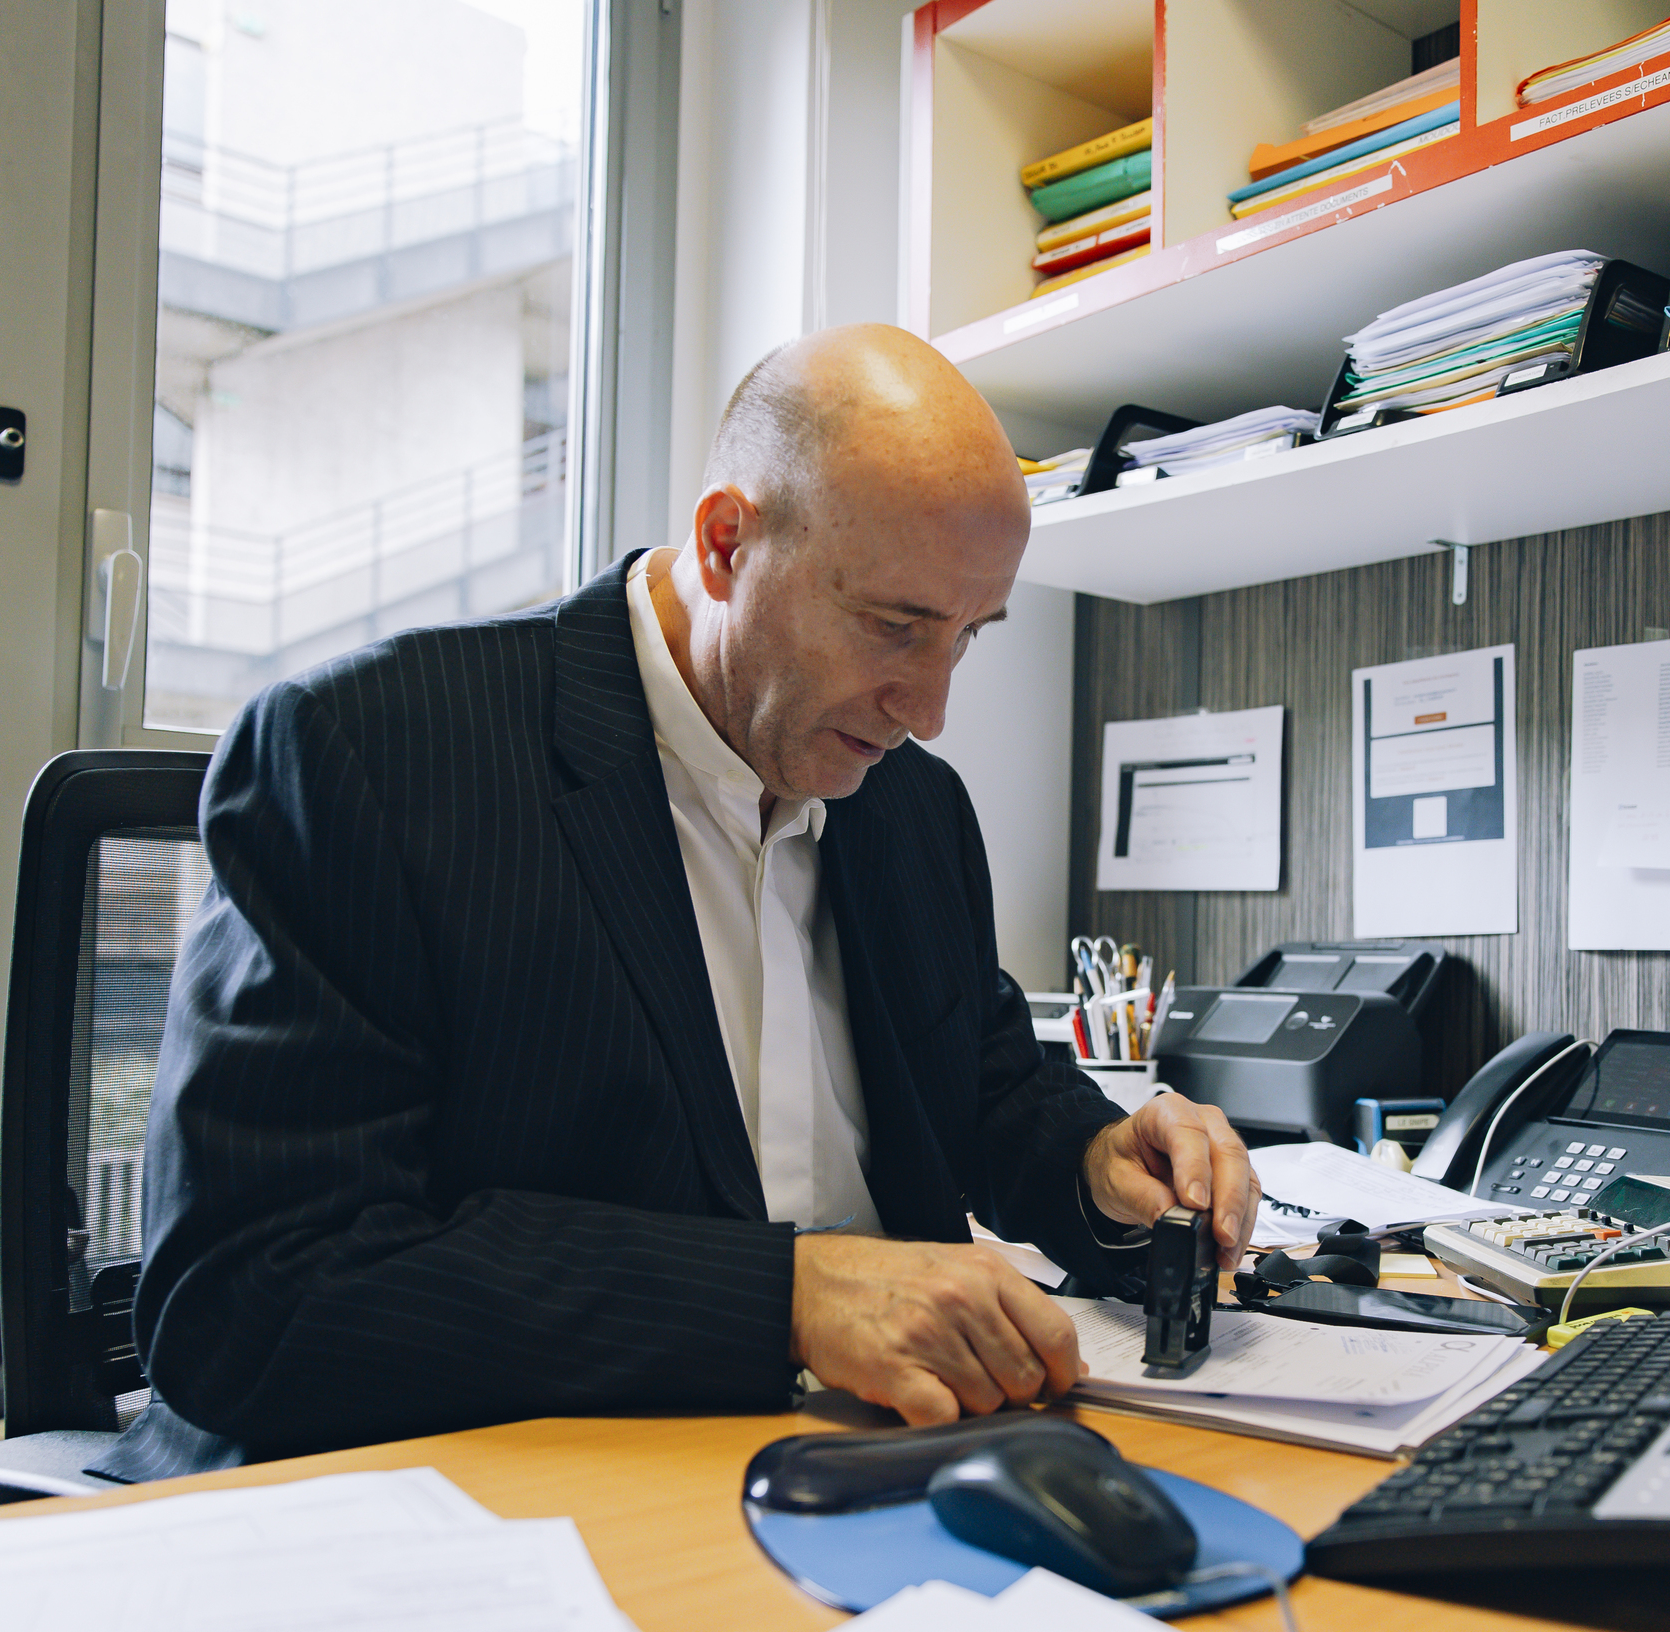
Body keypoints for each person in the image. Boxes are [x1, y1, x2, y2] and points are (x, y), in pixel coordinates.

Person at [102, 325, 1256, 1477]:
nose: (930, 706)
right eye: (896, 626)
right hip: (497, 1507)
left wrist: (1100, 1165)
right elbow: (248, 1295)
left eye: (967, 637)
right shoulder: (373, 758)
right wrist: (785, 1299)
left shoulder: (909, 809)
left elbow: (983, 1088)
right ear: (725, 544)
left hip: (882, 1474)